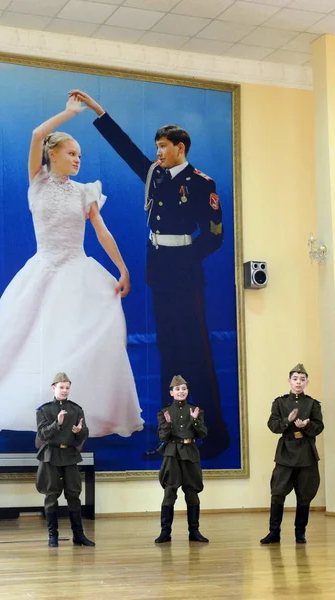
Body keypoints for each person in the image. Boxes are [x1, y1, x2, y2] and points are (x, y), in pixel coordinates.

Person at [0, 95, 144, 439]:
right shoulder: (37, 182)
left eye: (80, 156)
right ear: (53, 155)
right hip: (42, 269)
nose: (77, 160)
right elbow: (37, 135)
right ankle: (17, 402)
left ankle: (89, 411)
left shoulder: (85, 192)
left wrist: (123, 268)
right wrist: (69, 114)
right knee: (17, 335)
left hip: (77, 271)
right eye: (71, 153)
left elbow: (101, 232)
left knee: (79, 337)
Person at [69, 89, 229, 460]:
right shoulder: (155, 174)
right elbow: (125, 148)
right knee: (167, 353)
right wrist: (98, 110)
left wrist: (189, 259)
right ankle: (169, 435)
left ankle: (214, 434)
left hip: (185, 274)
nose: (158, 152)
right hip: (159, 270)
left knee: (198, 354)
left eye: (163, 146)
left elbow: (216, 236)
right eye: (157, 147)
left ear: (180, 148)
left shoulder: (202, 184)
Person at [260, 363, 324, 545]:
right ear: (289, 381)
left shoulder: (312, 404)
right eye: (295, 379)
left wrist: (307, 426)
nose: (298, 382)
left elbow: (319, 426)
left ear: (307, 382)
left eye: (302, 380)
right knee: (278, 492)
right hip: (285, 453)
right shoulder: (279, 403)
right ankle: (274, 533)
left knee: (304, 494)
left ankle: (300, 533)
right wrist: (287, 421)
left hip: (306, 453)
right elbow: (272, 425)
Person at [36, 372, 94, 547]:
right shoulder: (44, 410)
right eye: (61, 387)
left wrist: (79, 431)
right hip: (51, 456)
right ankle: (53, 536)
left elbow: (85, 434)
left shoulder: (76, 409)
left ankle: (79, 535)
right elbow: (43, 434)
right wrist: (58, 423)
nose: (65, 391)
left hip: (70, 455)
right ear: (54, 388)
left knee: (74, 495)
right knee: (51, 495)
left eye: (67, 388)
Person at [154, 375, 208, 544]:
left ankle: (194, 531)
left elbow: (203, 434)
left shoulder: (196, 410)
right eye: (177, 389)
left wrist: (195, 421)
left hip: (190, 453)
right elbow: (163, 436)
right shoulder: (164, 412)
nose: (181, 392)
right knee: (170, 492)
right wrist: (168, 424)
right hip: (173, 454)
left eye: (184, 389)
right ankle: (165, 532)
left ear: (187, 391)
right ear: (171, 392)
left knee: (192, 493)